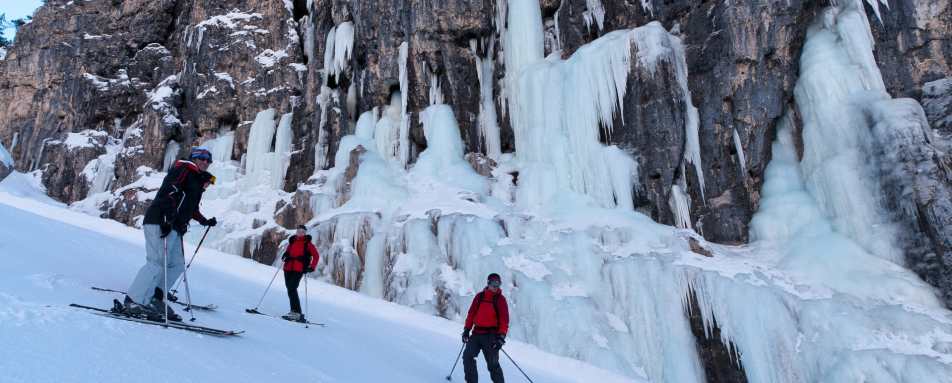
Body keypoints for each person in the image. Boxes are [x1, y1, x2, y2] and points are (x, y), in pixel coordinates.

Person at [118, 146, 217, 321]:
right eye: (201, 158)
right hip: (161, 220)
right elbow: (169, 192)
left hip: (175, 227)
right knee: (156, 262)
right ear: (193, 158)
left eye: (208, 160)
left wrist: (204, 221)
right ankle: (134, 300)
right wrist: (166, 218)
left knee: (176, 265)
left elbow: (190, 207)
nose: (205, 162)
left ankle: (155, 298)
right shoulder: (184, 168)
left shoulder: (197, 180)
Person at [462, 273, 510, 383]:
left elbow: (504, 320)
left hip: (491, 336)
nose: (496, 286)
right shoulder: (479, 297)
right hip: (476, 333)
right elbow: (471, 314)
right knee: (467, 357)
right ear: (488, 283)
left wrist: (501, 337)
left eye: (498, 284)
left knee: (493, 365)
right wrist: (466, 330)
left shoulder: (500, 300)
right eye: (494, 283)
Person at [280, 225, 319, 323]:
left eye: (302, 231)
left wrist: (312, 267)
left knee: (292, 288)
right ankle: (295, 312)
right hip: (288, 268)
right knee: (290, 288)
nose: (300, 233)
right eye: (298, 231)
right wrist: (285, 255)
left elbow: (316, 255)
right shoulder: (292, 241)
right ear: (296, 232)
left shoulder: (308, 244)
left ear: (305, 233)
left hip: (299, 269)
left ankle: (296, 313)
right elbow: (288, 251)